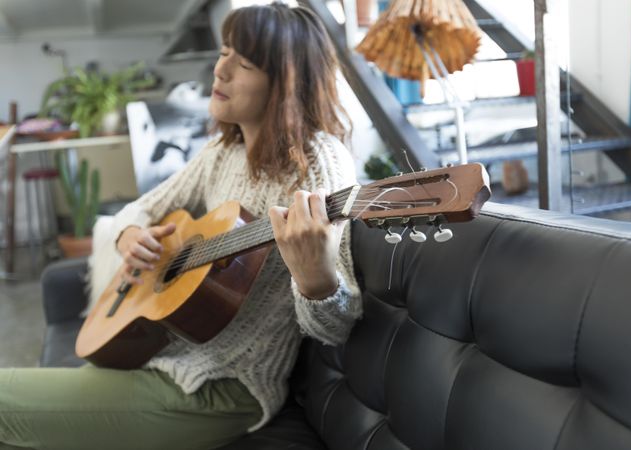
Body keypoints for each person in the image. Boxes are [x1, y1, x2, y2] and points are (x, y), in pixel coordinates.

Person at [0, 3, 362, 449]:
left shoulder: (319, 169)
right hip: (158, 355)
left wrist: (316, 280)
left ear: (286, 84)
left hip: (220, 390)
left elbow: (336, 328)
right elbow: (139, 210)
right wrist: (131, 237)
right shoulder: (222, 153)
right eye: (224, 51)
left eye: (243, 62)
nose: (221, 69)